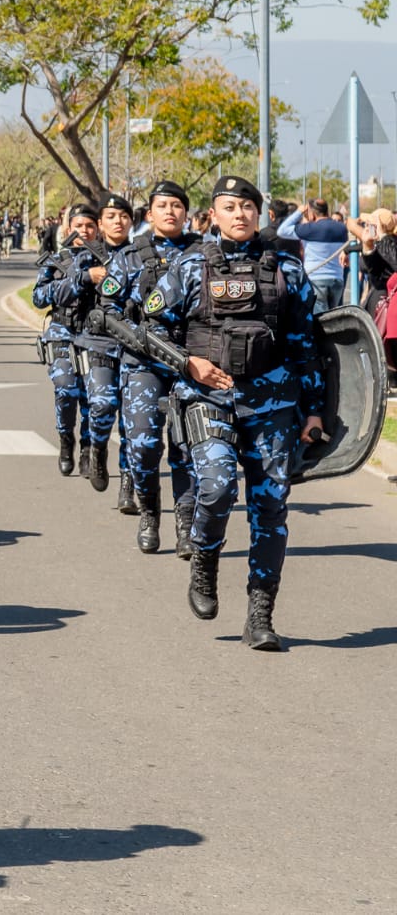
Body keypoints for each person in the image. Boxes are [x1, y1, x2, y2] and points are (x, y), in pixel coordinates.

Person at [144, 175, 323, 651]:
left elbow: (309, 345)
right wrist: (188, 363)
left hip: (274, 405)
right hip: (208, 398)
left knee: (271, 508)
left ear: (258, 214)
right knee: (217, 484)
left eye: (247, 206)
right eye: (229, 206)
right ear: (213, 215)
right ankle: (204, 560)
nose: (240, 213)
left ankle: (260, 615)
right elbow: (150, 329)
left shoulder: (287, 269)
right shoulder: (188, 266)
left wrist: (315, 412)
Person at [101, 181, 198, 555]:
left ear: (186, 213)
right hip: (143, 363)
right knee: (141, 446)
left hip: (190, 362)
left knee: (187, 449)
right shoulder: (129, 256)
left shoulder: (201, 254)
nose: (170, 211)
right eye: (163, 205)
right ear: (150, 214)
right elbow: (105, 310)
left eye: (177, 205)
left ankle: (186, 527)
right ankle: (150, 513)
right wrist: (135, 337)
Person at [56, 194, 133, 495]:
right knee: (98, 404)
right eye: (110, 216)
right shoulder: (81, 257)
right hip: (96, 342)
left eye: (123, 216)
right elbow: (54, 293)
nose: (117, 221)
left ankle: (129, 482)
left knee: (134, 421)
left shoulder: (142, 254)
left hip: (136, 347)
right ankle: (93, 447)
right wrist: (86, 277)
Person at [33, 204, 98, 476]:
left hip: (95, 335)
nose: (84, 231)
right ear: (69, 228)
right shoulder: (56, 260)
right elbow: (39, 297)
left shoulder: (107, 260)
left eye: (89, 226)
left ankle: (86, 447)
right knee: (65, 389)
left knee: (92, 397)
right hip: (62, 331)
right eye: (79, 226)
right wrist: (77, 281)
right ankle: (65, 440)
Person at [276, 199, 349, 312]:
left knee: (320, 319)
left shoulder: (309, 229)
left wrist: (299, 212)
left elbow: (282, 231)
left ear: (312, 213)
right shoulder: (341, 228)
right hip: (337, 279)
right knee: (335, 316)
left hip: (316, 280)